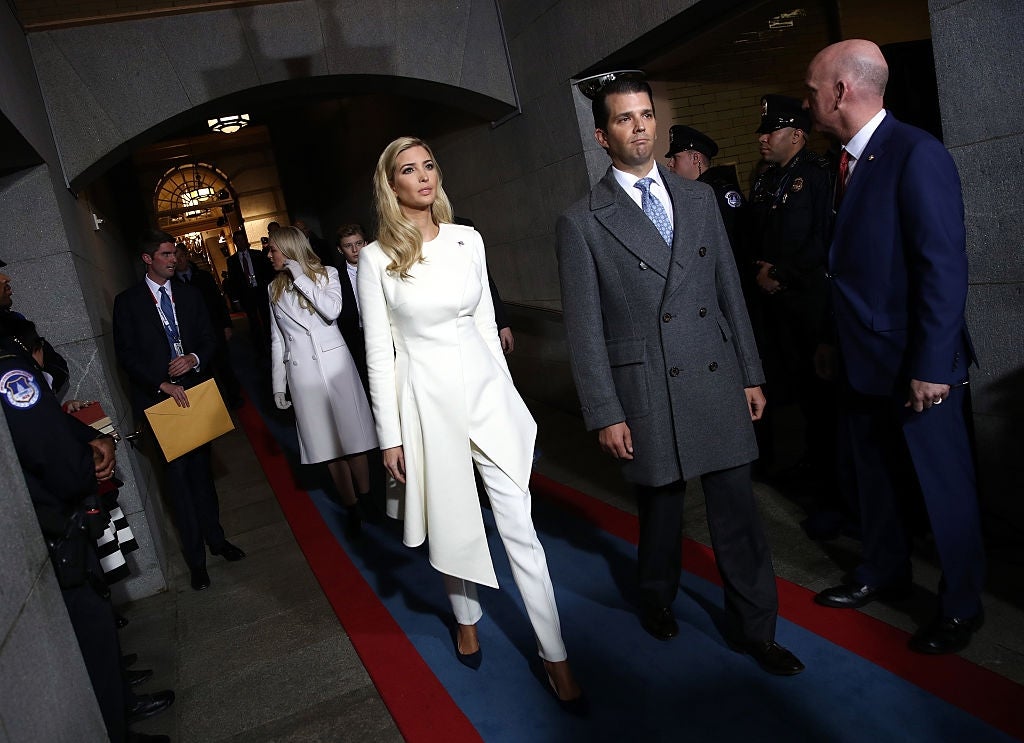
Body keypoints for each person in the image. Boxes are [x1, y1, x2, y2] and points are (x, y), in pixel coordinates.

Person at [556, 72, 803, 675]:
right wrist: (605, 411)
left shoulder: (699, 198)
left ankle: (756, 631)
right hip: (648, 388)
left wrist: (750, 371)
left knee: (737, 516)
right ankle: (656, 595)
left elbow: (727, 292)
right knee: (662, 510)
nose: (639, 126)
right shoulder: (583, 220)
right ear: (601, 134)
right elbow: (585, 329)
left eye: (645, 115)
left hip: (716, 376)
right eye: (624, 118)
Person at [359, 136, 581, 702]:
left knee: (521, 531)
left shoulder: (467, 240)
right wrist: (390, 438)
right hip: (427, 404)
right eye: (409, 170)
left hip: (486, 396)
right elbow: (379, 353)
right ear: (392, 185)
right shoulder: (377, 256)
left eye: (429, 165)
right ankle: (465, 616)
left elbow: (485, 325)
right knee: (455, 519)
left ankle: (555, 653)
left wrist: (508, 399)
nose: (424, 177)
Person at [804, 40, 985, 654]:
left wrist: (933, 364)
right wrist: (832, 340)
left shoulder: (916, 154)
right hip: (861, 361)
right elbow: (847, 270)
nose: (808, 100)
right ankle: (883, 569)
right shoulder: (843, 164)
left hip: (917, 367)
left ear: (840, 92)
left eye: (811, 89)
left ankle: (961, 606)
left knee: (942, 487)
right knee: (874, 477)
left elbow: (942, 266)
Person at [1, 313, 173, 743]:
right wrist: (88, 471)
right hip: (58, 521)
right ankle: (118, 729)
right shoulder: (11, 369)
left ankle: (121, 706)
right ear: (30, 349)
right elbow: (47, 449)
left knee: (97, 625)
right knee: (91, 629)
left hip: (52, 519)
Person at [113, 229, 246, 591]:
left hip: (196, 395)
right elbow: (126, 355)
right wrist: (162, 384)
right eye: (166, 254)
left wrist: (193, 358)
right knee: (179, 484)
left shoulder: (189, 296)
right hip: (161, 403)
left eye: (175, 254)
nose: (173, 259)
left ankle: (217, 541)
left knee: (203, 476)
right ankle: (196, 561)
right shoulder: (128, 302)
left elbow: (210, 338)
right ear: (147, 259)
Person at [746, 95, 838, 508]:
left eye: (771, 131)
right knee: (794, 393)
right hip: (777, 307)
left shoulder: (817, 176)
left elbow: (821, 242)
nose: (763, 139)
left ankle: (832, 482)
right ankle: (808, 468)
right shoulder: (766, 180)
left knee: (824, 400)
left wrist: (780, 275)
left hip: (808, 304)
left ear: (797, 135)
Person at [266, 225, 378, 536]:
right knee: (328, 448)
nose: (269, 254)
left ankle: (367, 499)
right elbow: (278, 341)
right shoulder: (272, 288)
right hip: (302, 376)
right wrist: (278, 384)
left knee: (354, 439)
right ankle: (351, 506)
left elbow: (332, 310)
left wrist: (299, 274)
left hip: (335, 368)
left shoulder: (326, 273)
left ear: (288, 249)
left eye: (273, 249)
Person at [174, 243, 243, 409]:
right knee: (204, 371)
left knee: (224, 365)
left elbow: (218, 302)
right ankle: (214, 406)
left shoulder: (203, 276)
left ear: (187, 256)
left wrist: (226, 325)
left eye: (182, 256)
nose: (180, 260)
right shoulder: (172, 283)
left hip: (214, 329)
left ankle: (235, 398)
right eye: (176, 258)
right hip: (193, 336)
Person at [664, 124, 747, 255]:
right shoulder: (690, 193)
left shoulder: (721, 194)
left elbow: (735, 245)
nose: (670, 163)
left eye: (676, 157)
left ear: (696, 158)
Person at [225, 228, 274, 352]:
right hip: (246, 294)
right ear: (235, 243)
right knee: (253, 321)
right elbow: (233, 281)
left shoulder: (257, 254)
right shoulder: (232, 261)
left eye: (242, 240)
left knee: (266, 317)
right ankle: (259, 347)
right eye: (237, 241)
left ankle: (271, 342)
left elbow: (266, 272)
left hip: (260, 290)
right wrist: (235, 300)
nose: (240, 243)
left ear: (246, 241)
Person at [333, 223, 370, 387]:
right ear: (340, 249)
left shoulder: (381, 269)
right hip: (354, 337)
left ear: (366, 243)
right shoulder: (335, 277)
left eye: (359, 243)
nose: (355, 250)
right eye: (348, 246)